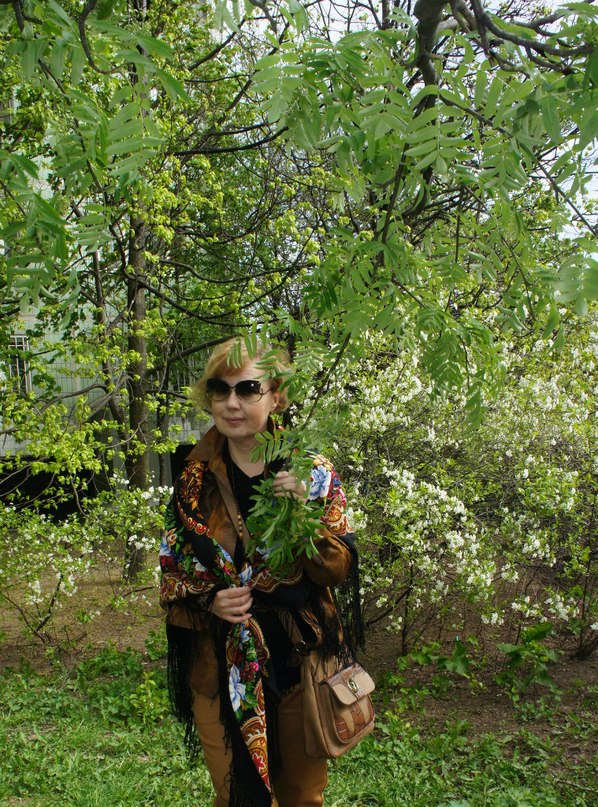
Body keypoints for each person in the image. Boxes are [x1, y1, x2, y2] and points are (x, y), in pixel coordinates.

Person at [159, 338, 362, 807]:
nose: (231, 403)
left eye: (248, 389)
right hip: (217, 662)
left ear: (277, 397)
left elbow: (338, 568)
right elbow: (172, 573)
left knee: (301, 797)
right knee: (236, 797)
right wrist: (209, 600)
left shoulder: (312, 472)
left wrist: (303, 519)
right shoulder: (191, 479)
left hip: (297, 663)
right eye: (220, 389)